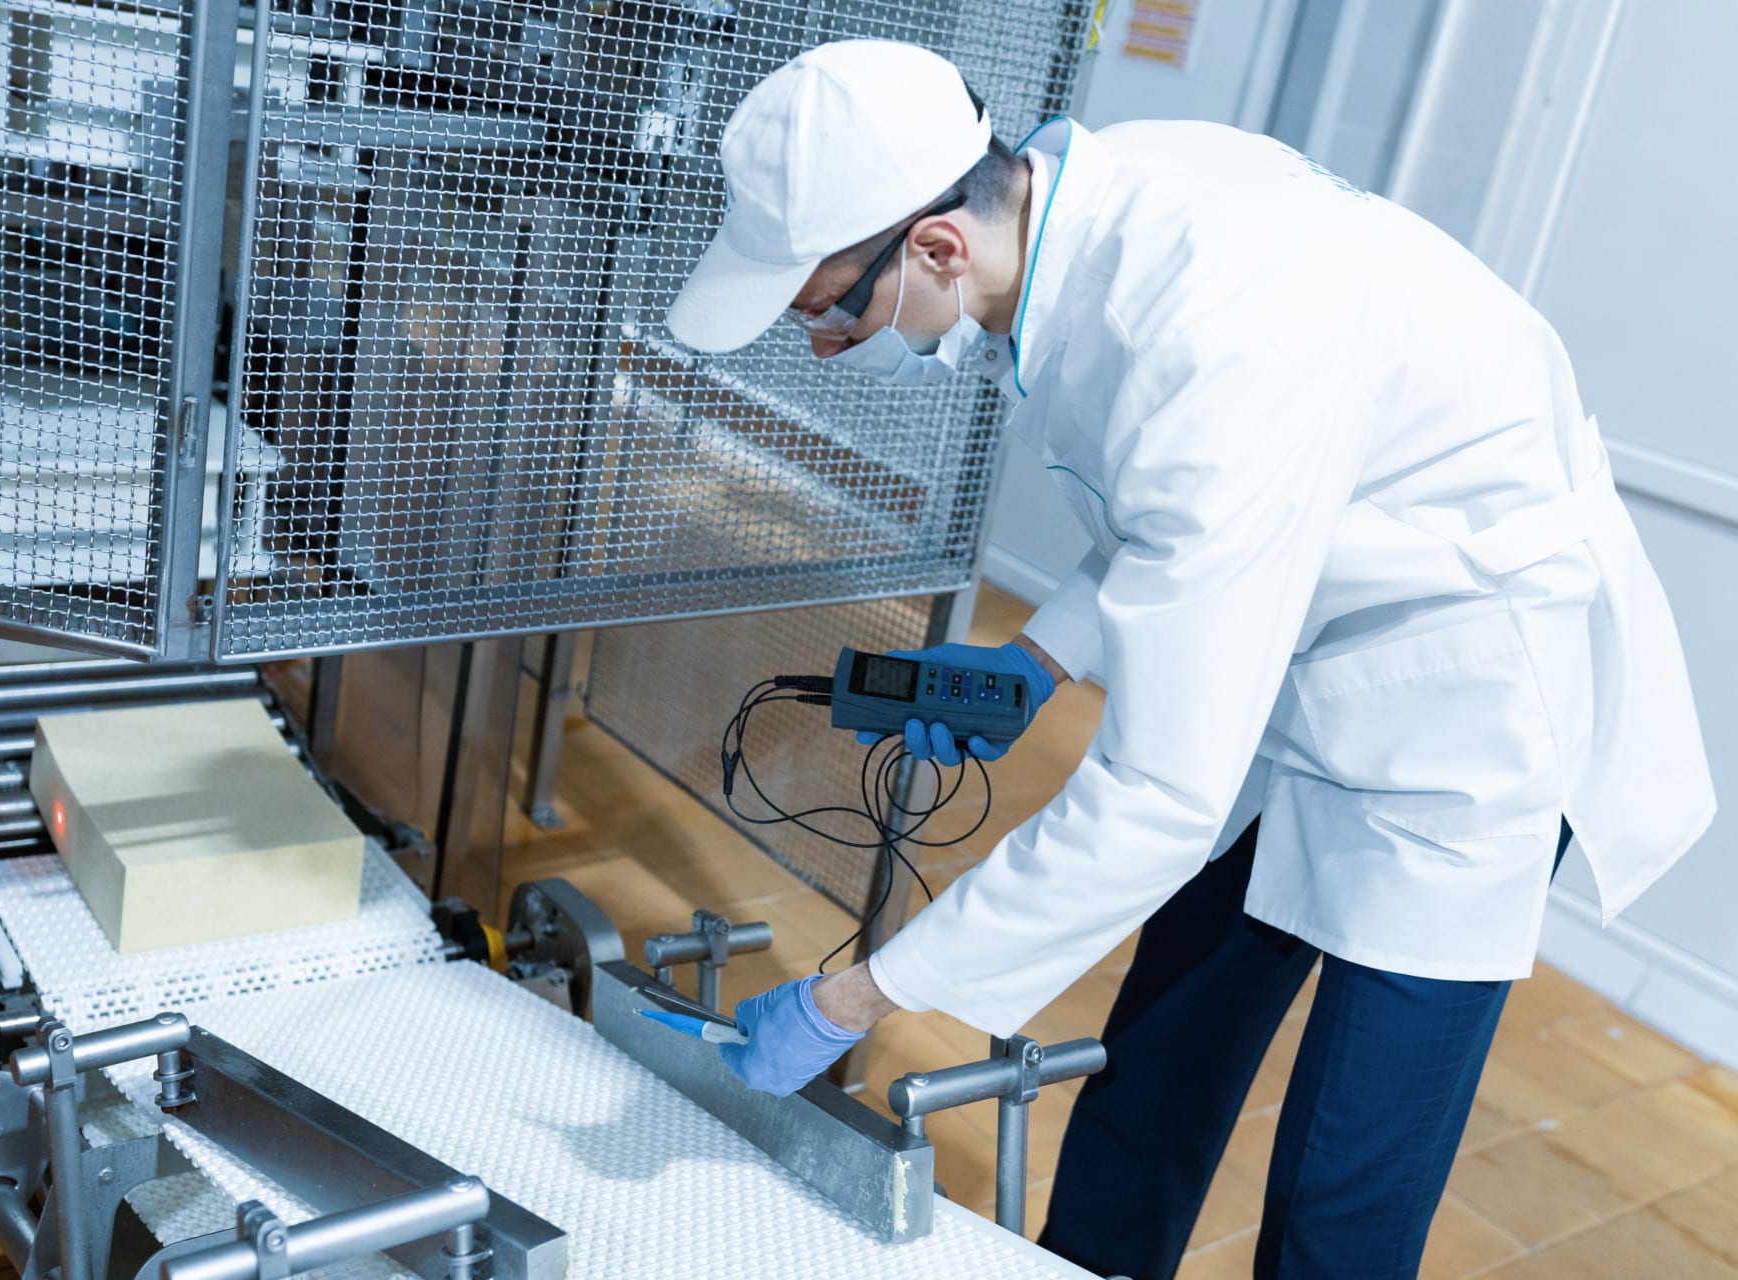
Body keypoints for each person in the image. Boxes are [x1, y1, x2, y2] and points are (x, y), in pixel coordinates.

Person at [664, 38, 1715, 1280]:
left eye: (828, 310)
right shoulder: (1104, 215)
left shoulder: (1212, 328)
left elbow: (1157, 794)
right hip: (1306, 652)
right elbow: (1186, 511)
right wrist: (1043, 660)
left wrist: (857, 998)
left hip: (1466, 721)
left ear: (938, 247)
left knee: (1340, 1194)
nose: (828, 345)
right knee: (1150, 1080)